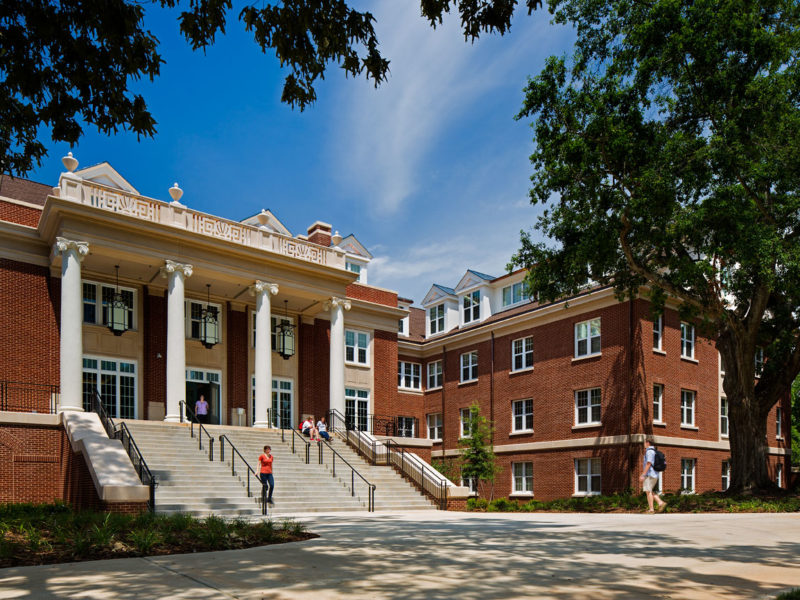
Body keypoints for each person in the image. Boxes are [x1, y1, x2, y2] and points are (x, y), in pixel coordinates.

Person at [640, 437, 666, 513]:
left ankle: (651, 509)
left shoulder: (649, 452)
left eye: (644, 443)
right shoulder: (653, 451)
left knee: (648, 491)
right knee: (650, 491)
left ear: (648, 443)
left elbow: (648, 463)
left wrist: (643, 475)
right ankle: (660, 503)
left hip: (650, 474)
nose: (644, 444)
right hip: (653, 474)